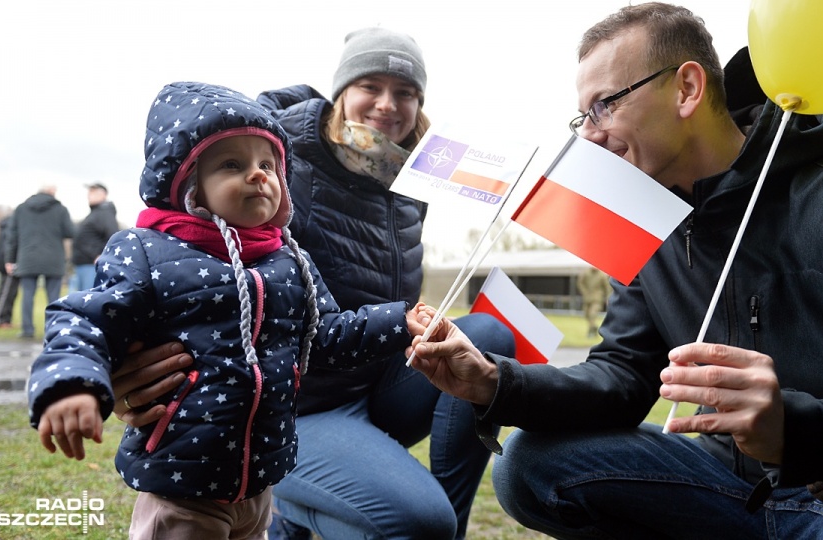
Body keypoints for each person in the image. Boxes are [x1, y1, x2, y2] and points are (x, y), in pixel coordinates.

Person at [407, 3, 823, 538]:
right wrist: (497, 381)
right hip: (720, 489)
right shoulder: (646, 225)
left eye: (605, 106)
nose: (589, 136)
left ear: (687, 89)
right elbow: (621, 378)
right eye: (582, 117)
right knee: (527, 463)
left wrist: (796, 428)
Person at [111, 28, 515, 540]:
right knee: (415, 520)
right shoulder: (282, 160)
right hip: (287, 403)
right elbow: (180, 243)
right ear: (341, 91)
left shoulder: (413, 180)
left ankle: (440, 530)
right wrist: (128, 360)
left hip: (373, 381)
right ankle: (295, 509)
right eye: (371, 85)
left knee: (490, 338)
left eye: (406, 92)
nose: (388, 105)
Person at [28, 81, 426, 539]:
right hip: (183, 484)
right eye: (232, 165)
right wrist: (72, 383)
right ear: (187, 182)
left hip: (259, 482)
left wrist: (398, 321)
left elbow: (326, 335)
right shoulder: (146, 251)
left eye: (267, 164)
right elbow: (85, 318)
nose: (258, 175)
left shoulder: (290, 261)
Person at [4, 185, 74, 339]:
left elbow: (12, 236)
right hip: (53, 258)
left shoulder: (21, 209)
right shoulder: (61, 209)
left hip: (27, 257)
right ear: (52, 193)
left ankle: (27, 330)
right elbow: (70, 232)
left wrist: (9, 259)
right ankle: (54, 329)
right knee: (54, 297)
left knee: (27, 295)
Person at [68, 182, 118, 292]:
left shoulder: (105, 213)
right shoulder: (95, 213)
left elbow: (113, 236)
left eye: (94, 192)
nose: (89, 195)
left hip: (92, 265)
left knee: (88, 299)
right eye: (89, 192)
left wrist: (101, 255)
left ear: (103, 194)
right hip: (82, 264)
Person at [0, 215, 18, 328]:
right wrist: (9, 261)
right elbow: (8, 247)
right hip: (7, 264)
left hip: (8, 263)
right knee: (5, 293)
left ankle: (6, 320)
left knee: (11, 293)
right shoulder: (10, 227)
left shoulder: (8, 226)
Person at [575, 266, 610, 336]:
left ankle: (591, 331)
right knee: (586, 315)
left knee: (592, 314)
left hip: (597, 299)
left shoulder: (602, 275)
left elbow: (607, 287)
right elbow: (580, 283)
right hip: (587, 298)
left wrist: (608, 298)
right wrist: (584, 291)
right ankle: (594, 327)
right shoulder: (585, 273)